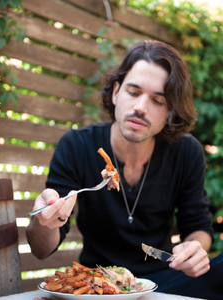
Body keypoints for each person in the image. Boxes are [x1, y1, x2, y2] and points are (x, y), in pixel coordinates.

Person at [26, 40, 223, 299]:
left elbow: (197, 223)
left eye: (157, 100)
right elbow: (41, 249)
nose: (141, 107)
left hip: (163, 283)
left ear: (170, 112)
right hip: (96, 285)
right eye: (133, 92)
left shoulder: (187, 152)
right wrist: (46, 221)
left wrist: (195, 248)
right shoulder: (76, 146)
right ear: (116, 92)